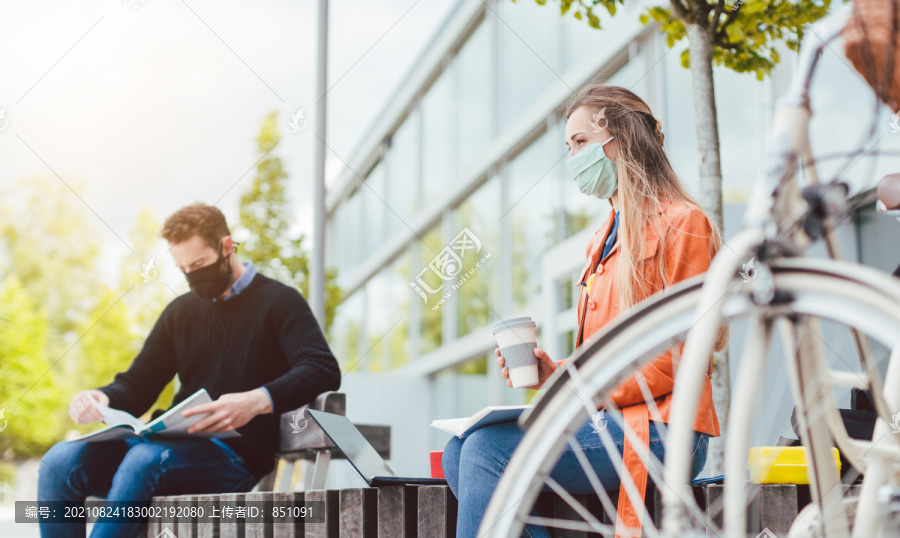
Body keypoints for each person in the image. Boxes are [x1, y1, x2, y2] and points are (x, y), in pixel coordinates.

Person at [442, 84, 728, 538]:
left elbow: (684, 356)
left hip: (666, 428)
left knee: (485, 451)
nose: (571, 157)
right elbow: (598, 357)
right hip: (607, 419)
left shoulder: (684, 221)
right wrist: (553, 372)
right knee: (460, 450)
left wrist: (581, 388)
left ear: (619, 141)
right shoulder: (603, 238)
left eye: (579, 143)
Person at [37, 203, 342, 538]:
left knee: (144, 460)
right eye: (183, 269)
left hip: (233, 458)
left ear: (227, 247)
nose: (192, 276)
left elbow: (321, 367)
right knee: (59, 461)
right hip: (161, 451)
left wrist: (255, 401)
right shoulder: (180, 313)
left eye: (198, 264)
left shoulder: (279, 302)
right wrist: (100, 398)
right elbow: (138, 385)